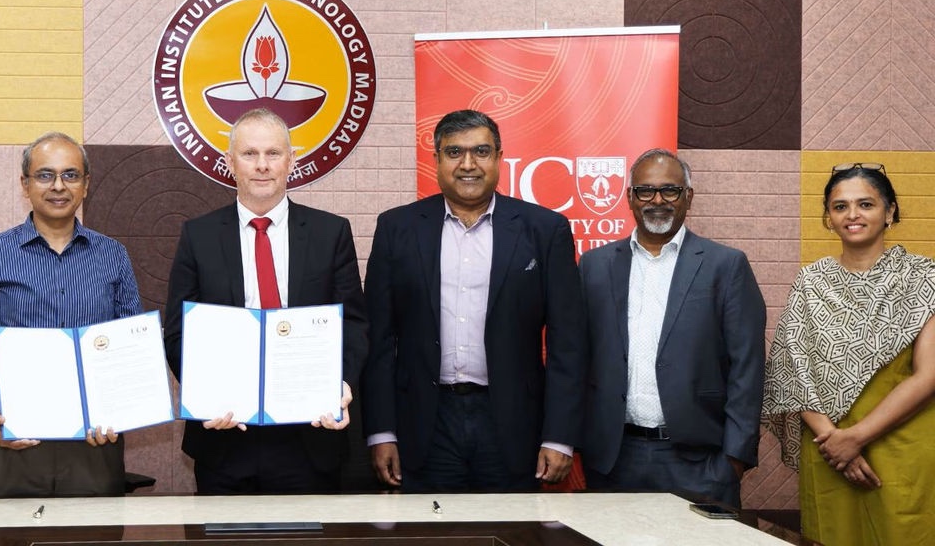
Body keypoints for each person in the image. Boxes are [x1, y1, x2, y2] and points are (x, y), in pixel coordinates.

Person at [361, 109, 585, 492]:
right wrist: (381, 432)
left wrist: (559, 436)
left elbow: (569, 342)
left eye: (481, 151)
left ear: (499, 158)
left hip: (513, 423)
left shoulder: (545, 230)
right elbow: (378, 340)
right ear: (436, 160)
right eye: (454, 153)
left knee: (512, 534)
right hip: (424, 424)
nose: (468, 164)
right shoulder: (397, 228)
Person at [163, 108, 367, 494]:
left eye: (273, 153)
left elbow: (354, 324)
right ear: (229, 163)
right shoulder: (198, 236)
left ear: (292, 160)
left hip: (310, 436)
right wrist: (205, 395)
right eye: (249, 153)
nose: (262, 166)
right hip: (225, 437)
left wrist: (340, 383)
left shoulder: (331, 232)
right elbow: (177, 334)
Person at [0, 132, 142, 497]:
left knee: (92, 540)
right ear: (25, 184)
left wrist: (121, 412)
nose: (58, 186)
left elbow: (129, 348)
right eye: (45, 175)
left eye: (71, 175)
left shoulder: (113, 255)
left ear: (86, 185)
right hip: (14, 442)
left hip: (94, 444)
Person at [579, 148, 766, 507]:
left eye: (670, 190)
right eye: (646, 190)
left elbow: (748, 366)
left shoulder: (725, 266)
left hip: (700, 462)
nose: (658, 200)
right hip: (614, 460)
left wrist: (734, 460)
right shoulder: (594, 265)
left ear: (688, 197)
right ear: (630, 198)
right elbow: (575, 356)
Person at [763, 162, 935, 545]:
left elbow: (929, 374)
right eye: (840, 207)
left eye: (866, 204)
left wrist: (856, 437)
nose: (852, 215)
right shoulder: (811, 282)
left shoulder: (924, 278)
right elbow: (792, 370)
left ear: (890, 212)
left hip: (903, 445)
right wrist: (834, 440)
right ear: (828, 217)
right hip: (829, 450)